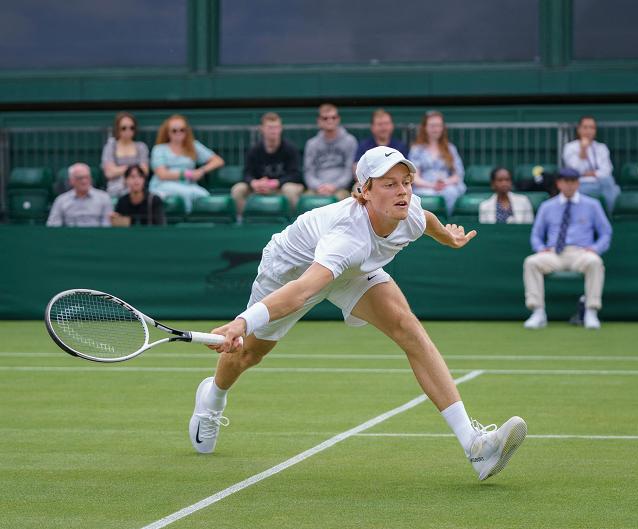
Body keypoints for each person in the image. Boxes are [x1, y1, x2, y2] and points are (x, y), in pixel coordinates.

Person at [188, 146, 527, 481]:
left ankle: (476, 447)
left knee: (410, 331)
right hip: (292, 271)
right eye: (389, 184)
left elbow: (427, 221)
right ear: (365, 191)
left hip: (353, 272)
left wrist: (448, 239)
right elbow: (304, 290)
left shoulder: (408, 211)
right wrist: (242, 322)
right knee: (248, 355)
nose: (402, 191)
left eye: (406, 182)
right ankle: (212, 398)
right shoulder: (346, 237)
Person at [523, 168, 612, 330]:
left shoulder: (592, 205)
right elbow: (536, 235)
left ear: (578, 183)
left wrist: (595, 248)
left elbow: (606, 232)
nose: (569, 185)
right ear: (559, 183)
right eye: (565, 181)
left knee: (595, 262)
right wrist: (540, 248)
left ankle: (591, 312)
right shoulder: (547, 206)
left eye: (573, 181)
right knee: (531, 262)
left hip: (581, 253)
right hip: (554, 254)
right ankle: (538, 312)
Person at [149, 114, 225, 213]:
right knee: (186, 193)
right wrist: (187, 174)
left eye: (182, 130)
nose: (178, 133)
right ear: (167, 132)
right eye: (174, 130)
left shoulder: (193, 146)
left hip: (189, 185)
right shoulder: (159, 149)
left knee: (203, 194)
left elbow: (218, 161)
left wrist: (201, 171)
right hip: (163, 185)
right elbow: (162, 174)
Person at [232, 112, 304, 214]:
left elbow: (295, 175)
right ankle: (242, 221)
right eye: (270, 127)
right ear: (262, 129)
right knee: (238, 189)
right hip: (259, 187)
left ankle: (292, 222)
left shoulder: (290, 148)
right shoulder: (254, 150)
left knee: (290, 190)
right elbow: (246, 173)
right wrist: (254, 183)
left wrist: (276, 182)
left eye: (276, 127)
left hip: (281, 187)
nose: (273, 131)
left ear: (281, 129)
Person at [408, 111, 466, 215]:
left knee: (451, 192)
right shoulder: (417, 149)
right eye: (432, 125)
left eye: (439, 125)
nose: (436, 129)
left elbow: (458, 174)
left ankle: (447, 223)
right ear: (425, 127)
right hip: (424, 187)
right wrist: (432, 185)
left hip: (446, 185)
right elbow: (415, 178)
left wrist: (445, 182)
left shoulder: (450, 148)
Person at [562, 116, 621, 213]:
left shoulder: (601, 147)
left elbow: (607, 170)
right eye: (585, 127)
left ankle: (609, 216)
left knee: (612, 186)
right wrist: (583, 150)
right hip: (580, 184)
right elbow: (574, 171)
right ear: (579, 130)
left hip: (601, 183)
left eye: (592, 128)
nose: (588, 131)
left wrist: (592, 174)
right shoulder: (570, 147)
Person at [303, 103, 358, 201]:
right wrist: (319, 186)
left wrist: (334, 186)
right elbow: (308, 171)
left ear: (338, 119)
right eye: (325, 118)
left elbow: (349, 170)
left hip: (340, 189)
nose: (330, 121)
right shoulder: (311, 144)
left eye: (333, 117)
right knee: (305, 200)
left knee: (343, 201)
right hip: (316, 189)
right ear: (319, 121)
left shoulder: (350, 141)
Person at [100, 112, 150, 198]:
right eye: (124, 128)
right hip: (115, 188)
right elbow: (109, 173)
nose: (128, 131)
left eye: (131, 128)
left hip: (137, 187)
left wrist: (119, 170)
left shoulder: (141, 147)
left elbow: (145, 171)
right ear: (117, 129)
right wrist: (133, 168)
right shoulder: (110, 147)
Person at [46, 163, 112, 227]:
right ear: (71, 181)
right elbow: (53, 225)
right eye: (80, 178)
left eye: (87, 177)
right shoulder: (61, 200)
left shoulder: (104, 198)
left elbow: (107, 225)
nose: (84, 181)